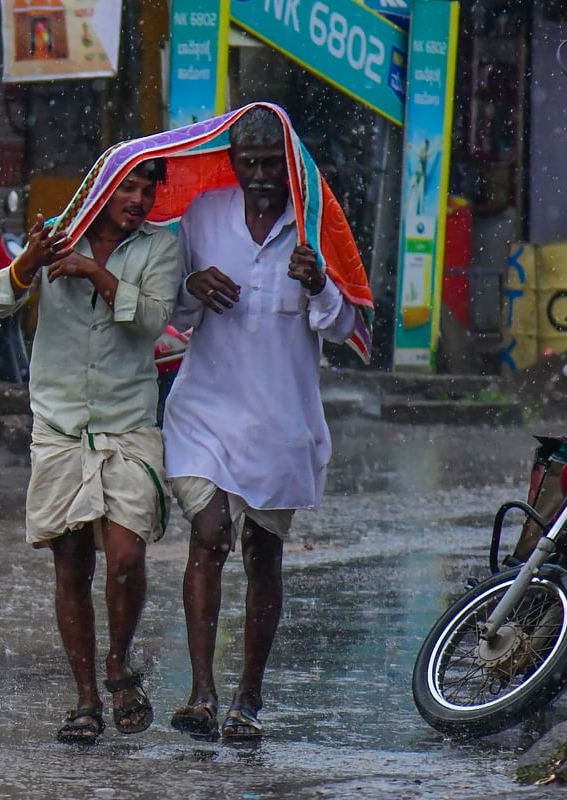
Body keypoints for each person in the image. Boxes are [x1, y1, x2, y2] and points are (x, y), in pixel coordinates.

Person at [163, 107, 361, 739]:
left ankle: (248, 700)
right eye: (247, 163)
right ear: (232, 162)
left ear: (292, 163)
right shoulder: (201, 216)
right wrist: (192, 283)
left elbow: (349, 327)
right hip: (204, 409)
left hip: (281, 421)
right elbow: (171, 305)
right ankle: (200, 693)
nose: (259, 176)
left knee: (262, 554)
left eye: (270, 163)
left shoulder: (315, 227)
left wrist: (322, 284)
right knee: (209, 537)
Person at [0, 159, 179, 744]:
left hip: (127, 425)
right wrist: (28, 265)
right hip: (60, 425)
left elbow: (152, 323)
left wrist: (97, 274)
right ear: (102, 188)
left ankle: (119, 664)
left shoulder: (160, 247)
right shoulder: (55, 235)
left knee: (125, 555)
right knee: (71, 561)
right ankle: (87, 700)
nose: (139, 199)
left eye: (148, 190)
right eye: (129, 187)